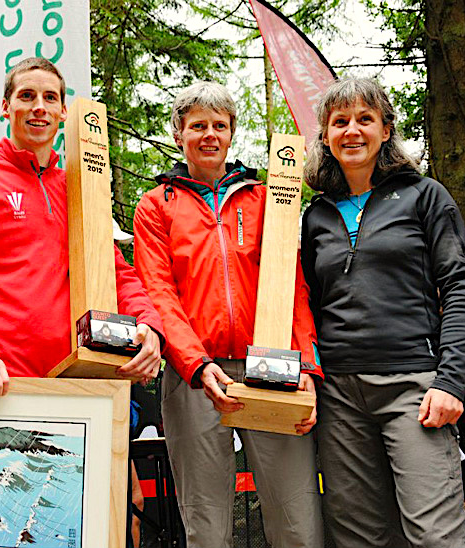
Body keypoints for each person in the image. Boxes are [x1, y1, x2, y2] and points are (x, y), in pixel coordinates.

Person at [133, 81, 324, 548]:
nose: (209, 135)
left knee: (296, 518)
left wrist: (309, 367)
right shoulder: (156, 206)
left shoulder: (266, 199)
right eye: (198, 125)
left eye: (220, 125)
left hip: (272, 365)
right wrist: (196, 364)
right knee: (206, 523)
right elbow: (158, 292)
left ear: (232, 132)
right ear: (179, 134)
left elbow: (293, 286)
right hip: (196, 375)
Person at [0, 57, 164, 398]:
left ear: (63, 112)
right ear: (7, 107)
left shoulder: (80, 189)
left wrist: (149, 325)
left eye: (50, 98)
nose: (39, 107)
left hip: (79, 381)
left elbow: (118, 275)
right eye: (27, 96)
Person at [301, 77, 465, 548]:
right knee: (358, 536)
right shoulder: (315, 215)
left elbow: (459, 287)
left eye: (364, 119)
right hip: (339, 394)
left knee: (434, 534)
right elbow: (309, 303)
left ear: (385, 130)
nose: (351, 131)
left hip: (415, 387)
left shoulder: (425, 196)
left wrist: (451, 381)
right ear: (325, 136)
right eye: (340, 122)